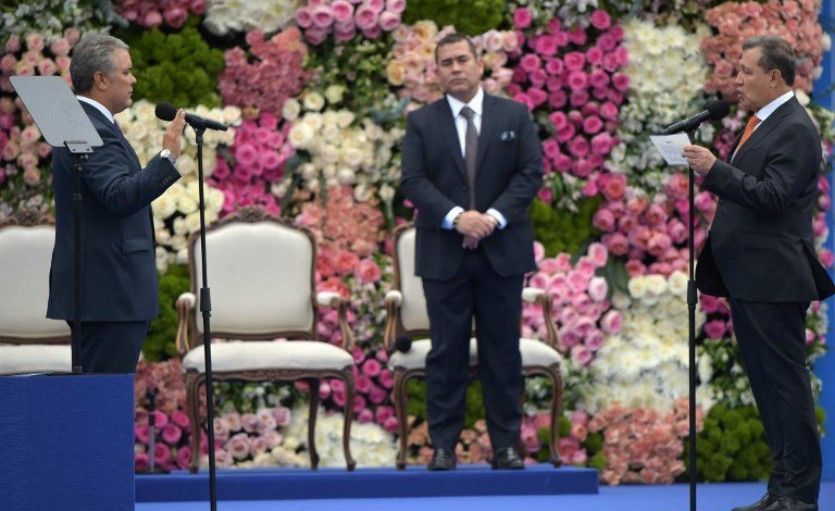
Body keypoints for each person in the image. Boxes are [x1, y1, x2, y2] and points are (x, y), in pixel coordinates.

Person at [684, 35, 834, 511]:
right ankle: (782, 488)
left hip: (773, 278)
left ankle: (800, 495)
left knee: (785, 386)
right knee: (768, 388)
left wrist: (715, 171)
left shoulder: (794, 127)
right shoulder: (762, 122)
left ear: (775, 76)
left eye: (747, 71)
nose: (738, 79)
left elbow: (772, 196)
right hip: (750, 277)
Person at [400, 33, 543, 471]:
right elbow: (413, 181)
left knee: (503, 351)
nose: (455, 68)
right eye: (446, 63)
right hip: (445, 253)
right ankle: (443, 446)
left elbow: (530, 173)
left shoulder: (515, 115)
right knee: (446, 352)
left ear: (479, 65)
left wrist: (492, 218)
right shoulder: (422, 122)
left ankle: (506, 446)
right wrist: (458, 216)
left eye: (463, 59)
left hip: (502, 252)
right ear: (437, 72)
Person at [47, 33, 187, 373]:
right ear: (100, 79)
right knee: (102, 399)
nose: (133, 79)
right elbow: (118, 195)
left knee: (100, 399)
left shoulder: (83, 121)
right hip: (108, 289)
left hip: (104, 289)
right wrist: (167, 157)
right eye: (126, 72)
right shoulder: (89, 126)